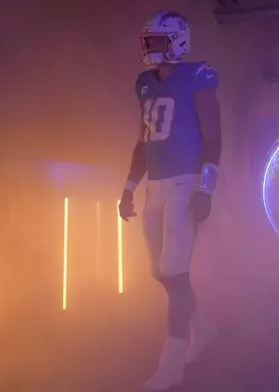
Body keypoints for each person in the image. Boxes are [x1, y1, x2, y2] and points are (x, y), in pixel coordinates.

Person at [117, 10, 222, 391]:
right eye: (148, 41)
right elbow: (144, 141)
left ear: (177, 41)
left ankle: (171, 363)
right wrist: (129, 187)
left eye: (157, 41)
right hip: (156, 185)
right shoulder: (145, 83)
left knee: (175, 270)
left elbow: (213, 139)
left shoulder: (197, 76)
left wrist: (206, 188)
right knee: (159, 272)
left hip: (185, 181)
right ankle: (202, 327)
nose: (150, 49)